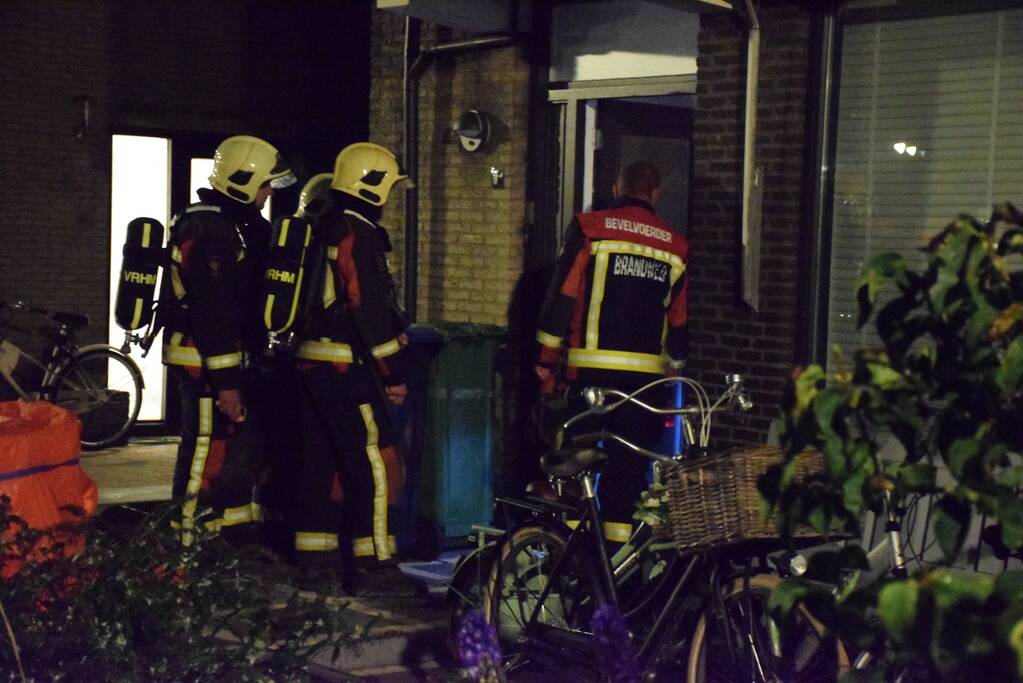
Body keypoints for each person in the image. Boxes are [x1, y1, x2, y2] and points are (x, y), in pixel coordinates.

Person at [534, 161, 689, 546]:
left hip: (589, 379)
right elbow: (681, 321)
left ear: (618, 190)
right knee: (628, 475)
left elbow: (563, 296)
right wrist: (674, 371)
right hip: (644, 386)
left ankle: (569, 560)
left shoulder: (591, 228)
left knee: (572, 469)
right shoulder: (676, 246)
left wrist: (545, 361)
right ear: (655, 194)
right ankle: (617, 569)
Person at [162, 135, 295, 546]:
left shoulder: (232, 225)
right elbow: (214, 312)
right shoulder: (209, 229)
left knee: (231, 450)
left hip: (225, 361)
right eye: (265, 184)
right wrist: (228, 384)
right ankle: (187, 542)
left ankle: (226, 536)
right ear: (243, 180)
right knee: (204, 450)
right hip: (204, 362)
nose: (269, 192)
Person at [291, 142, 412, 591]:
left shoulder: (318, 227)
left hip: (310, 364)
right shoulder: (355, 235)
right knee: (377, 459)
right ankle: (375, 563)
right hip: (347, 368)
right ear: (373, 187)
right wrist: (393, 373)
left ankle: (314, 560)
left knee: (319, 460)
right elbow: (368, 309)